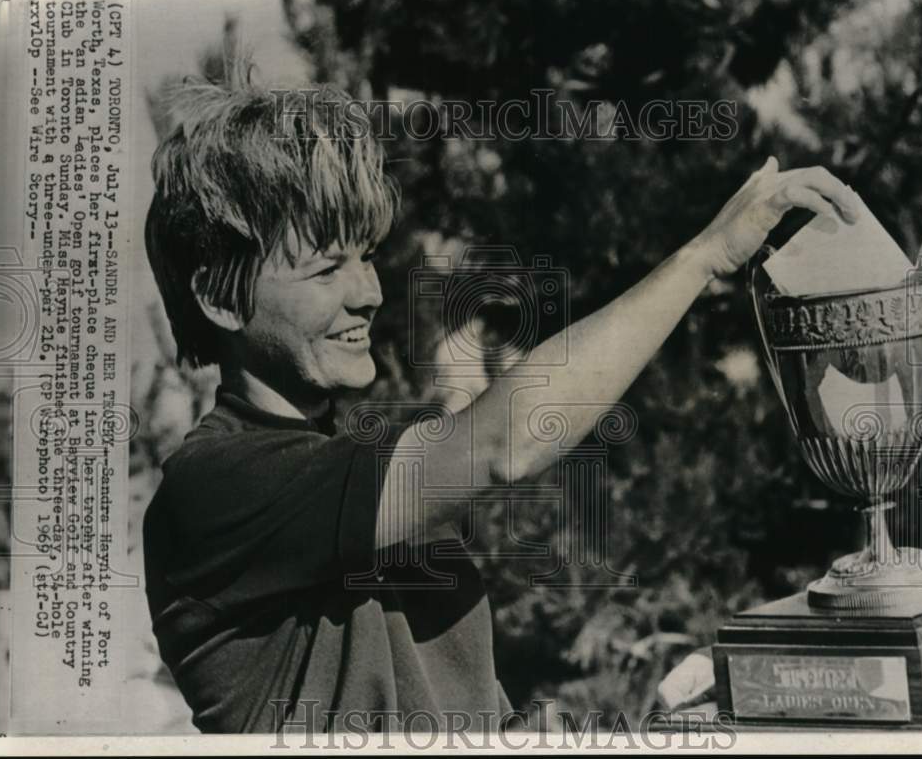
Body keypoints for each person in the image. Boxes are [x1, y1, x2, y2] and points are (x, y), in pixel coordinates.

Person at [142, 68, 863, 735]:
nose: (369, 292)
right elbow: (503, 444)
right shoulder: (212, 490)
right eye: (328, 266)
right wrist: (704, 257)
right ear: (218, 297)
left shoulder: (369, 473)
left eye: (365, 254)